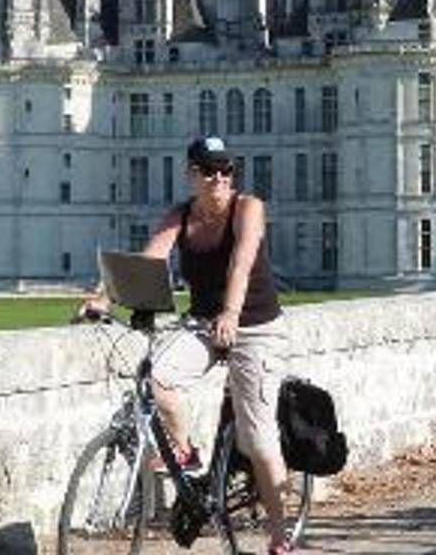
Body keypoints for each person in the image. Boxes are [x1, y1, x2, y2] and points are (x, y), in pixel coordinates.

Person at [80, 136, 294, 555]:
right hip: (204, 325)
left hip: (256, 328)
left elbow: (242, 263)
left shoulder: (248, 208)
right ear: (192, 174)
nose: (220, 178)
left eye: (226, 170)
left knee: (258, 439)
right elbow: (148, 260)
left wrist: (231, 312)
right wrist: (103, 298)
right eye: (209, 171)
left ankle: (279, 535)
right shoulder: (181, 215)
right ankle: (185, 451)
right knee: (154, 379)